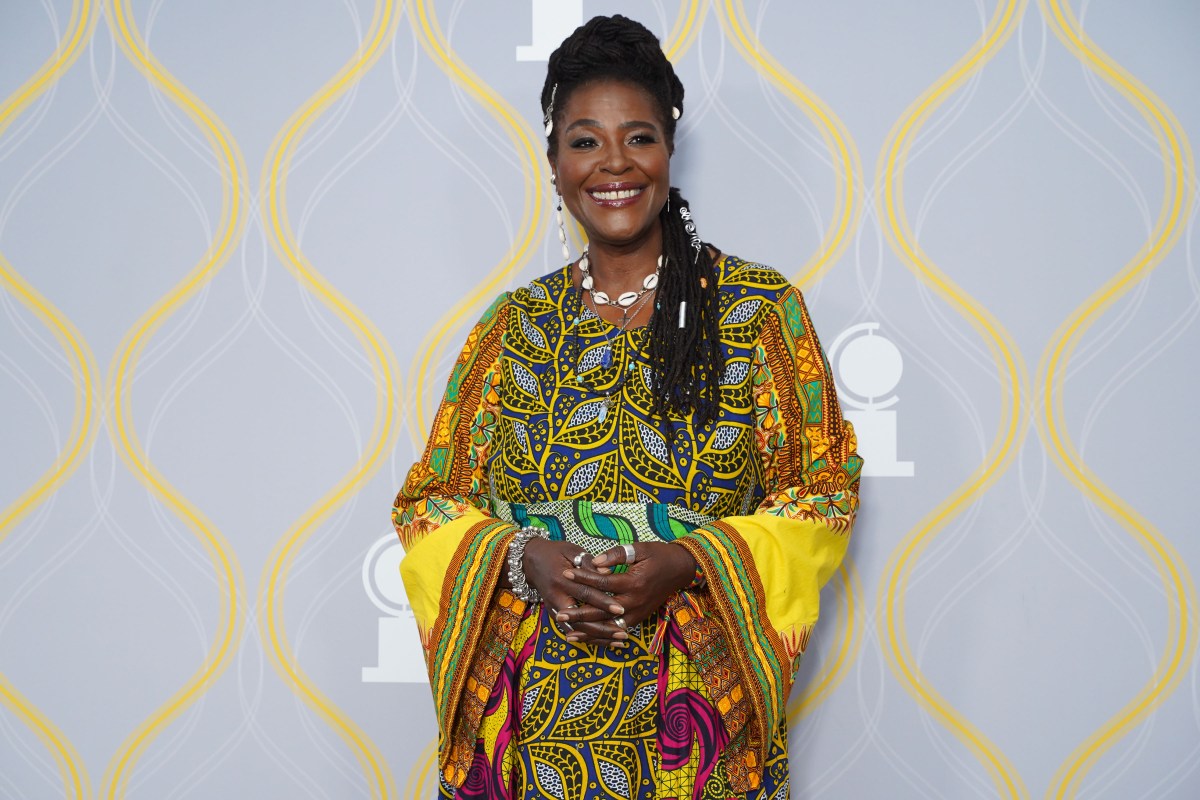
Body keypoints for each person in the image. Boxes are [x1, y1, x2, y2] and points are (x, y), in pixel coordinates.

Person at [393, 14, 861, 800]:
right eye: (584, 141)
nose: (613, 163)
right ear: (552, 163)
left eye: (637, 137)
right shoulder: (513, 328)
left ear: (669, 151)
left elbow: (824, 491)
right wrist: (523, 558)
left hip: (698, 725)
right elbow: (429, 501)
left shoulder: (756, 310)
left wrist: (690, 560)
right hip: (526, 730)